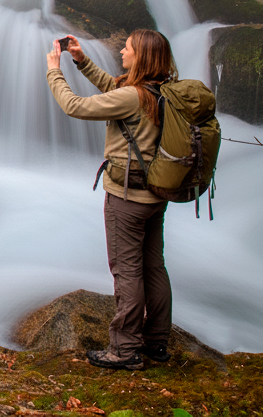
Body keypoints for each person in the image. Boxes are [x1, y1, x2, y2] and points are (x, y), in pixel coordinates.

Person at [46, 29, 175, 371]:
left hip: (127, 197)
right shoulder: (162, 90)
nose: (122, 51)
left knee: (127, 271)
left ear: (142, 57)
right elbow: (116, 92)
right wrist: (82, 60)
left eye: (128, 48)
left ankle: (124, 349)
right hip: (156, 194)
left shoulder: (133, 96)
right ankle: (157, 342)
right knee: (154, 266)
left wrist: (54, 70)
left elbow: (74, 106)